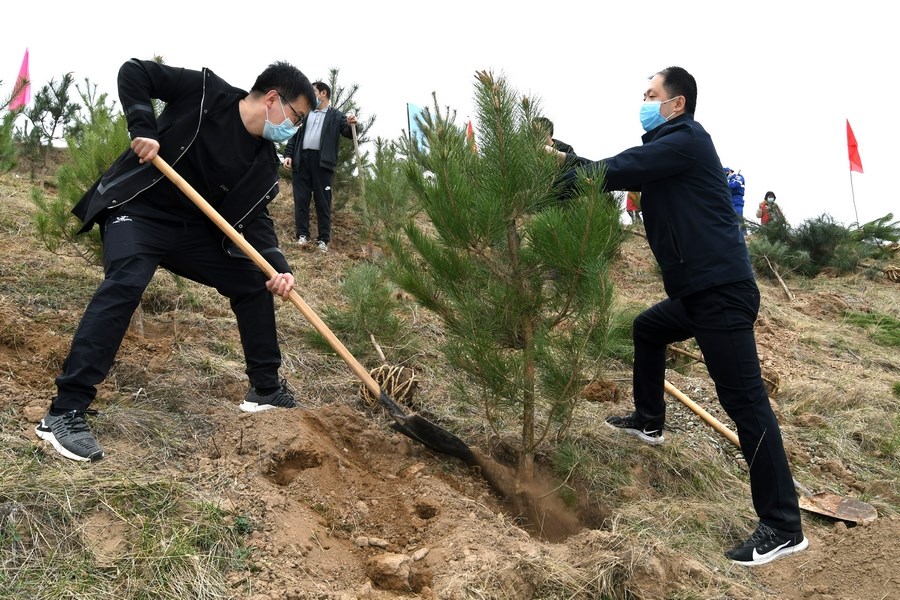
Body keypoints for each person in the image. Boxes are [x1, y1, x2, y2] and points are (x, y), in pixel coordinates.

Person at [549, 66, 807, 567]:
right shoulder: (667, 151)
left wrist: (565, 171)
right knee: (648, 329)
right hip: (698, 292)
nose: (644, 101)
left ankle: (783, 526)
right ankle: (649, 422)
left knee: (746, 403)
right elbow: (619, 169)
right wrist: (562, 163)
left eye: (651, 94)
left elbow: (618, 168)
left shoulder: (686, 140)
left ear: (677, 103)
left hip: (720, 293)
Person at [34, 58, 317, 463]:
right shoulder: (206, 93)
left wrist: (277, 266)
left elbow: (257, 219)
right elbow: (134, 73)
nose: (295, 128)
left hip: (190, 234)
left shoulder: (263, 162)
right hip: (139, 210)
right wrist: (143, 129)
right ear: (272, 99)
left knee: (252, 282)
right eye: (296, 117)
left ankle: (266, 389)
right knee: (127, 281)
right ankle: (64, 411)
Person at [284, 82, 358, 254]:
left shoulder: (336, 116)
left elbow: (348, 131)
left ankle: (323, 239)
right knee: (301, 200)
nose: (309, 95)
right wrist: (288, 154)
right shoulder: (305, 113)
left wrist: (352, 124)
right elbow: (293, 135)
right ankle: (302, 235)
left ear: (323, 93)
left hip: (322, 163)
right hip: (301, 161)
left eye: (313, 91)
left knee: (323, 203)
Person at [725, 167, 747, 232]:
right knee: (732, 219)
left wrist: (726, 184)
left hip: (737, 199)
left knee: (739, 217)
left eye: (726, 174)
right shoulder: (730, 180)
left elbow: (735, 185)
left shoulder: (738, 177)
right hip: (730, 200)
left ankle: (744, 234)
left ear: (730, 172)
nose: (726, 176)